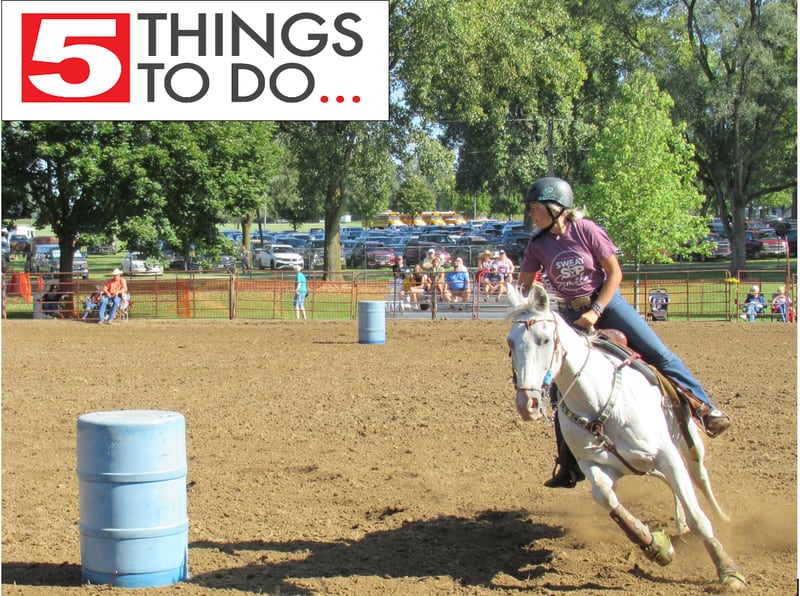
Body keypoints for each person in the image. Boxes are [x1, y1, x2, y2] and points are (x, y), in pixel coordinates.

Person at [516, 176, 731, 489]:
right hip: (570, 313)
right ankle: (567, 462)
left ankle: (705, 409)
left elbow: (615, 273)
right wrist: (528, 294)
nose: (532, 214)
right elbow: (524, 285)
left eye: (536, 208)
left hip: (606, 303)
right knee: (560, 385)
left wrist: (596, 311)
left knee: (657, 354)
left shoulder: (585, 230)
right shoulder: (537, 244)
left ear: (556, 207)